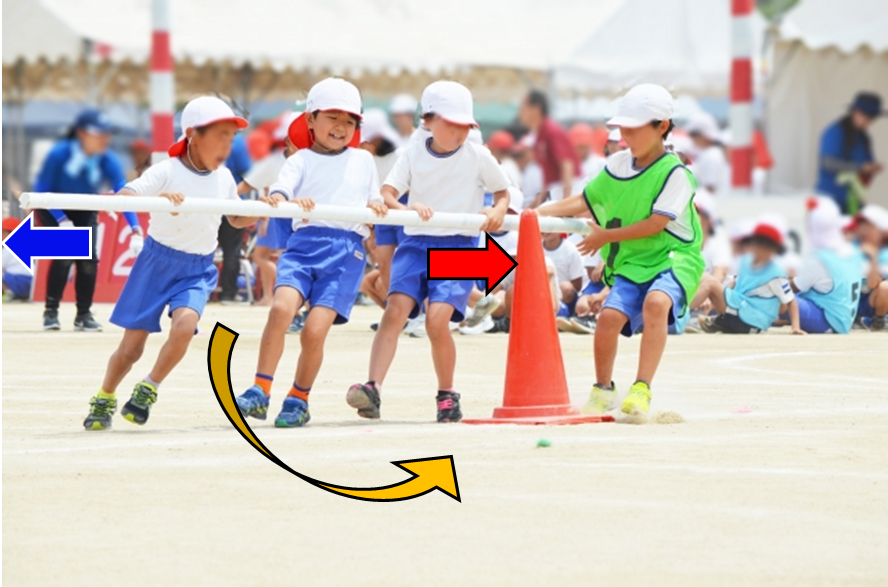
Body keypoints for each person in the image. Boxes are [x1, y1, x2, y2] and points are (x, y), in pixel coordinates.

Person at [82, 96, 260, 430]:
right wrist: (157, 200)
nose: (227, 145)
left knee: (184, 327)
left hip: (197, 269)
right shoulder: (166, 169)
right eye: (219, 135)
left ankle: (149, 387)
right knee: (130, 349)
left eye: (231, 138)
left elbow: (235, 218)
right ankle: (105, 396)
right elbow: (124, 200)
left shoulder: (224, 178)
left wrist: (265, 207)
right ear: (192, 134)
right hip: (156, 263)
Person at [349, 80, 511, 423]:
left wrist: (497, 212)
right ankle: (373, 388)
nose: (459, 131)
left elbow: (502, 193)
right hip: (415, 241)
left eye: (465, 125)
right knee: (394, 311)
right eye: (452, 123)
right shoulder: (413, 153)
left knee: (437, 321)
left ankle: (447, 394)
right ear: (428, 120)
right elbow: (389, 191)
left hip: (460, 243)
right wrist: (406, 206)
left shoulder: (478, 155)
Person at [539, 83, 704, 416]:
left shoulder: (676, 173)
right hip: (632, 260)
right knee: (608, 318)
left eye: (633, 128)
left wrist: (606, 238)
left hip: (674, 258)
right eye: (622, 128)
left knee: (657, 304)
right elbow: (584, 200)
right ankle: (603, 389)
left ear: (661, 127)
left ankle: (642, 388)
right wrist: (534, 214)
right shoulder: (616, 164)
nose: (625, 135)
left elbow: (656, 224)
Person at [234, 78, 387, 428]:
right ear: (311, 120)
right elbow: (283, 192)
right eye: (333, 117)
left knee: (314, 331)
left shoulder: (363, 160)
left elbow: (373, 197)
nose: (341, 127)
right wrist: (283, 200)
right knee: (280, 308)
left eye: (350, 122)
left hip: (346, 252)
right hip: (303, 248)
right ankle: (260, 389)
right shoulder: (299, 159)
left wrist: (377, 209)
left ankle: (299, 398)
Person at [33, 108, 143, 332]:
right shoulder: (59, 153)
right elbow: (42, 190)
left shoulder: (107, 158)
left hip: (84, 207)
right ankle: (51, 311)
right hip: (53, 206)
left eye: (107, 134)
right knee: (64, 257)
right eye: (98, 134)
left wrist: (136, 229)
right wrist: (62, 220)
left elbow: (123, 192)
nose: (104, 139)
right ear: (82, 134)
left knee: (89, 260)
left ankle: (83, 314)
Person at [696, 219, 803, 334]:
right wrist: (712, 303)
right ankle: (714, 320)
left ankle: (681, 314)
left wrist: (795, 327)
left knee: (710, 283)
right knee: (706, 279)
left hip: (749, 320)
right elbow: (733, 284)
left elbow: (790, 301)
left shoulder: (775, 272)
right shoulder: (747, 262)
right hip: (739, 309)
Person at [238, 112, 299, 306]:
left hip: (279, 214)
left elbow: (251, 186)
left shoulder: (279, 161)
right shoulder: (281, 161)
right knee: (273, 256)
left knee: (265, 256)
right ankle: (270, 296)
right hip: (279, 213)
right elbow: (260, 186)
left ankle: (277, 295)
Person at [782, 197, 861, 334]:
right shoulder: (850, 251)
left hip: (827, 320)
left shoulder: (820, 258)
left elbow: (792, 288)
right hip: (843, 317)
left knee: (777, 294)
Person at [816, 92, 884, 214]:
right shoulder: (835, 131)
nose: (868, 121)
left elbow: (867, 162)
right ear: (854, 111)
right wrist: (860, 167)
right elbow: (828, 163)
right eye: (865, 116)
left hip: (853, 198)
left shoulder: (864, 137)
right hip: (831, 198)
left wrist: (872, 168)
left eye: (872, 118)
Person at [518, 90, 582, 207]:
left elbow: (567, 165)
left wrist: (566, 202)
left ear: (536, 109)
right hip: (556, 190)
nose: (520, 112)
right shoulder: (540, 134)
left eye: (524, 106)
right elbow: (547, 174)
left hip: (569, 189)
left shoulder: (551, 130)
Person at [218, 130, 253, 303]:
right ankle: (228, 294)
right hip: (233, 205)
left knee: (201, 249)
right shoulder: (237, 141)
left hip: (206, 204)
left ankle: (200, 293)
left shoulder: (198, 136)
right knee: (232, 251)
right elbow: (251, 175)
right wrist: (231, 194)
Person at [848, 204, 888, 330]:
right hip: (848, 301)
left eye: (869, 226)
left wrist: (872, 258)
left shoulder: (884, 253)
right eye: (862, 225)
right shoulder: (851, 246)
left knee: (885, 287)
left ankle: (878, 321)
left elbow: (873, 283)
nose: (863, 230)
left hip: (869, 301)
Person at [686, 112, 728, 195]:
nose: (692, 138)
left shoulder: (711, 155)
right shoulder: (708, 153)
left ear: (704, 135)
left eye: (693, 134)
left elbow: (710, 188)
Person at [2, 217, 32, 300]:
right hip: (31, 283)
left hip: (17, 280)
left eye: (3, 233)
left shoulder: (9, 248)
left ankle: (9, 293)